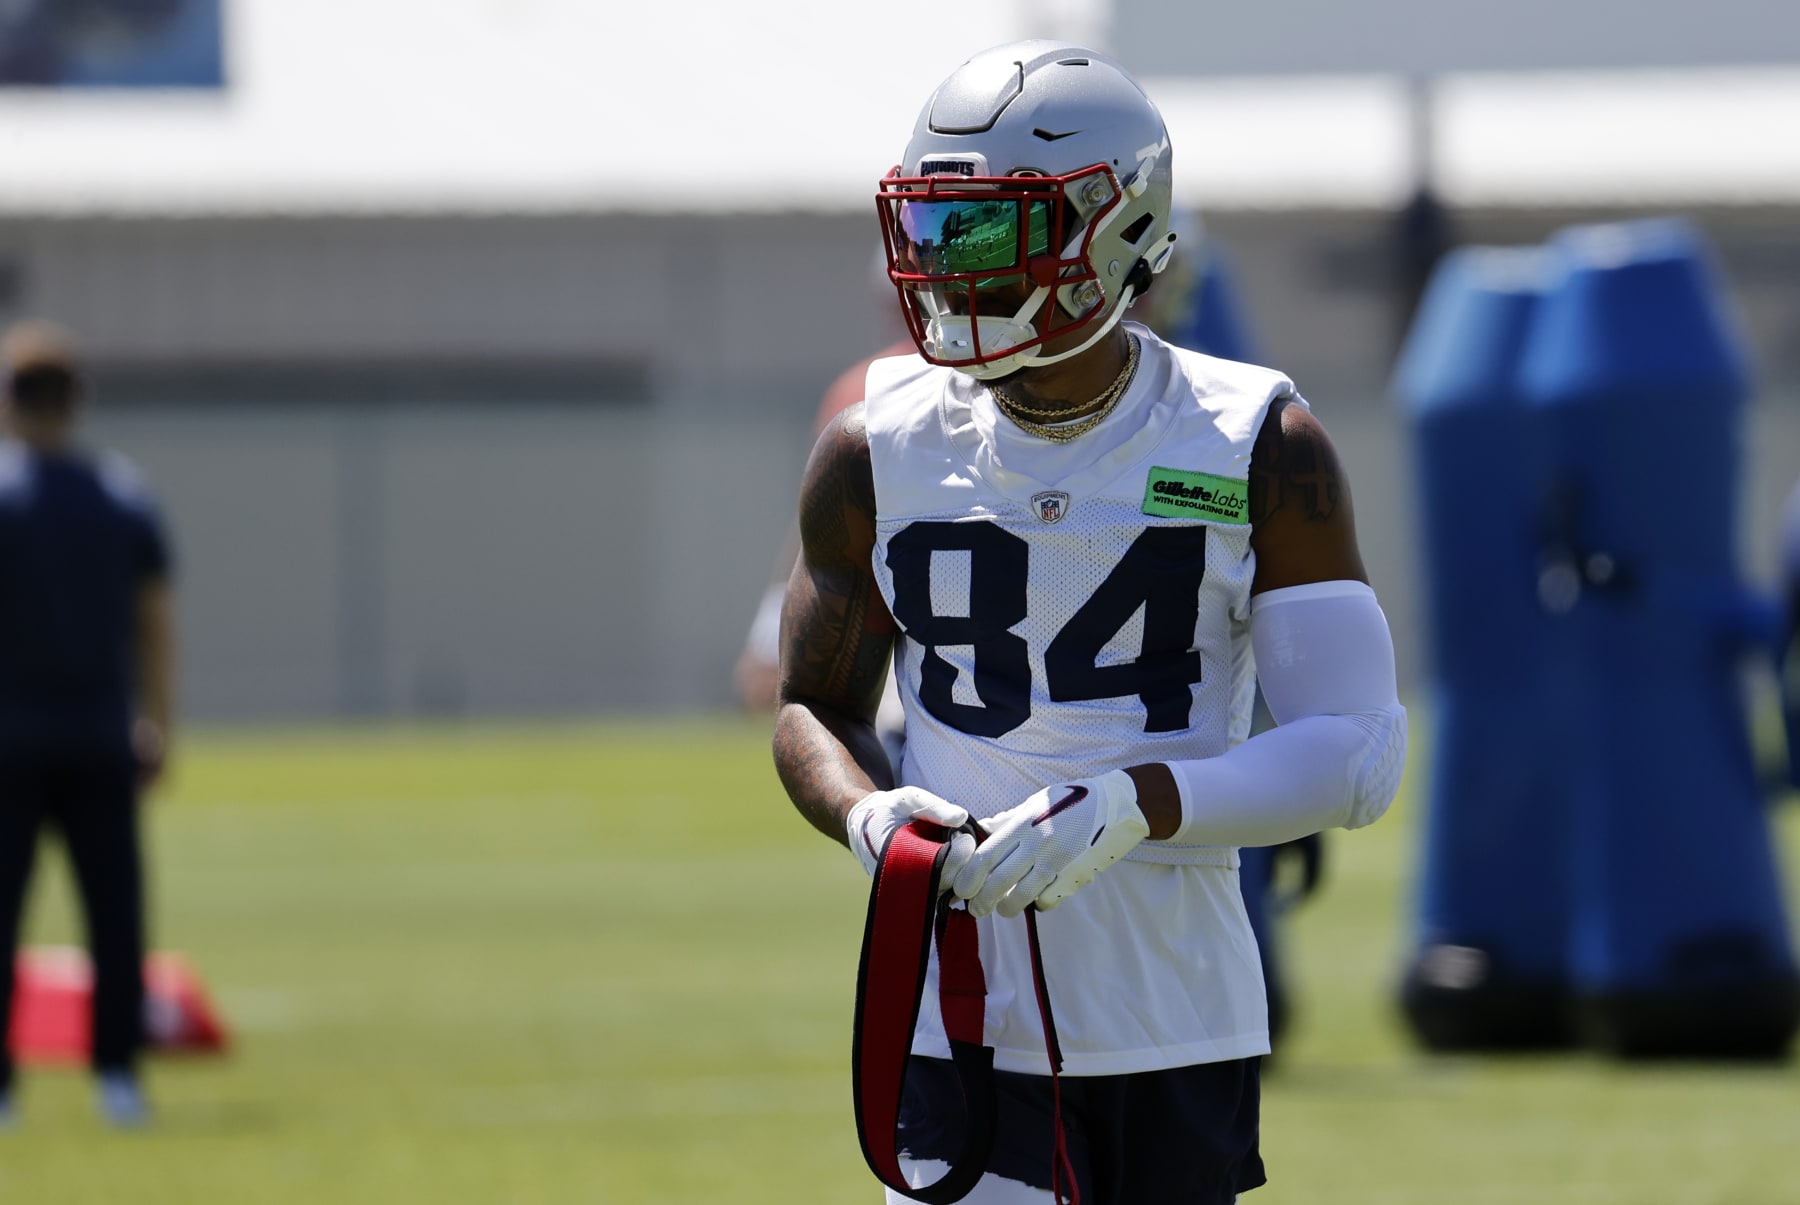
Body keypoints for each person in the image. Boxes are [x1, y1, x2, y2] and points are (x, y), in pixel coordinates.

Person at [772, 42, 1406, 1203]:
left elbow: (1360, 751)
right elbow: (812, 707)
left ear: (1114, 230)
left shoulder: (1254, 439)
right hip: (959, 1006)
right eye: (939, 229)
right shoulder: (874, 446)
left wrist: (1131, 803)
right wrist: (873, 816)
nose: (953, 272)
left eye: (994, 231)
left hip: (1178, 1013)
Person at [0, 321, 176, 1129]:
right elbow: (155, 623)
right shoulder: (123, 495)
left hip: (9, 738)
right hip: (101, 731)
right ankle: (118, 1076)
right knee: (114, 911)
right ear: (78, 402)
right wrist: (159, 724)